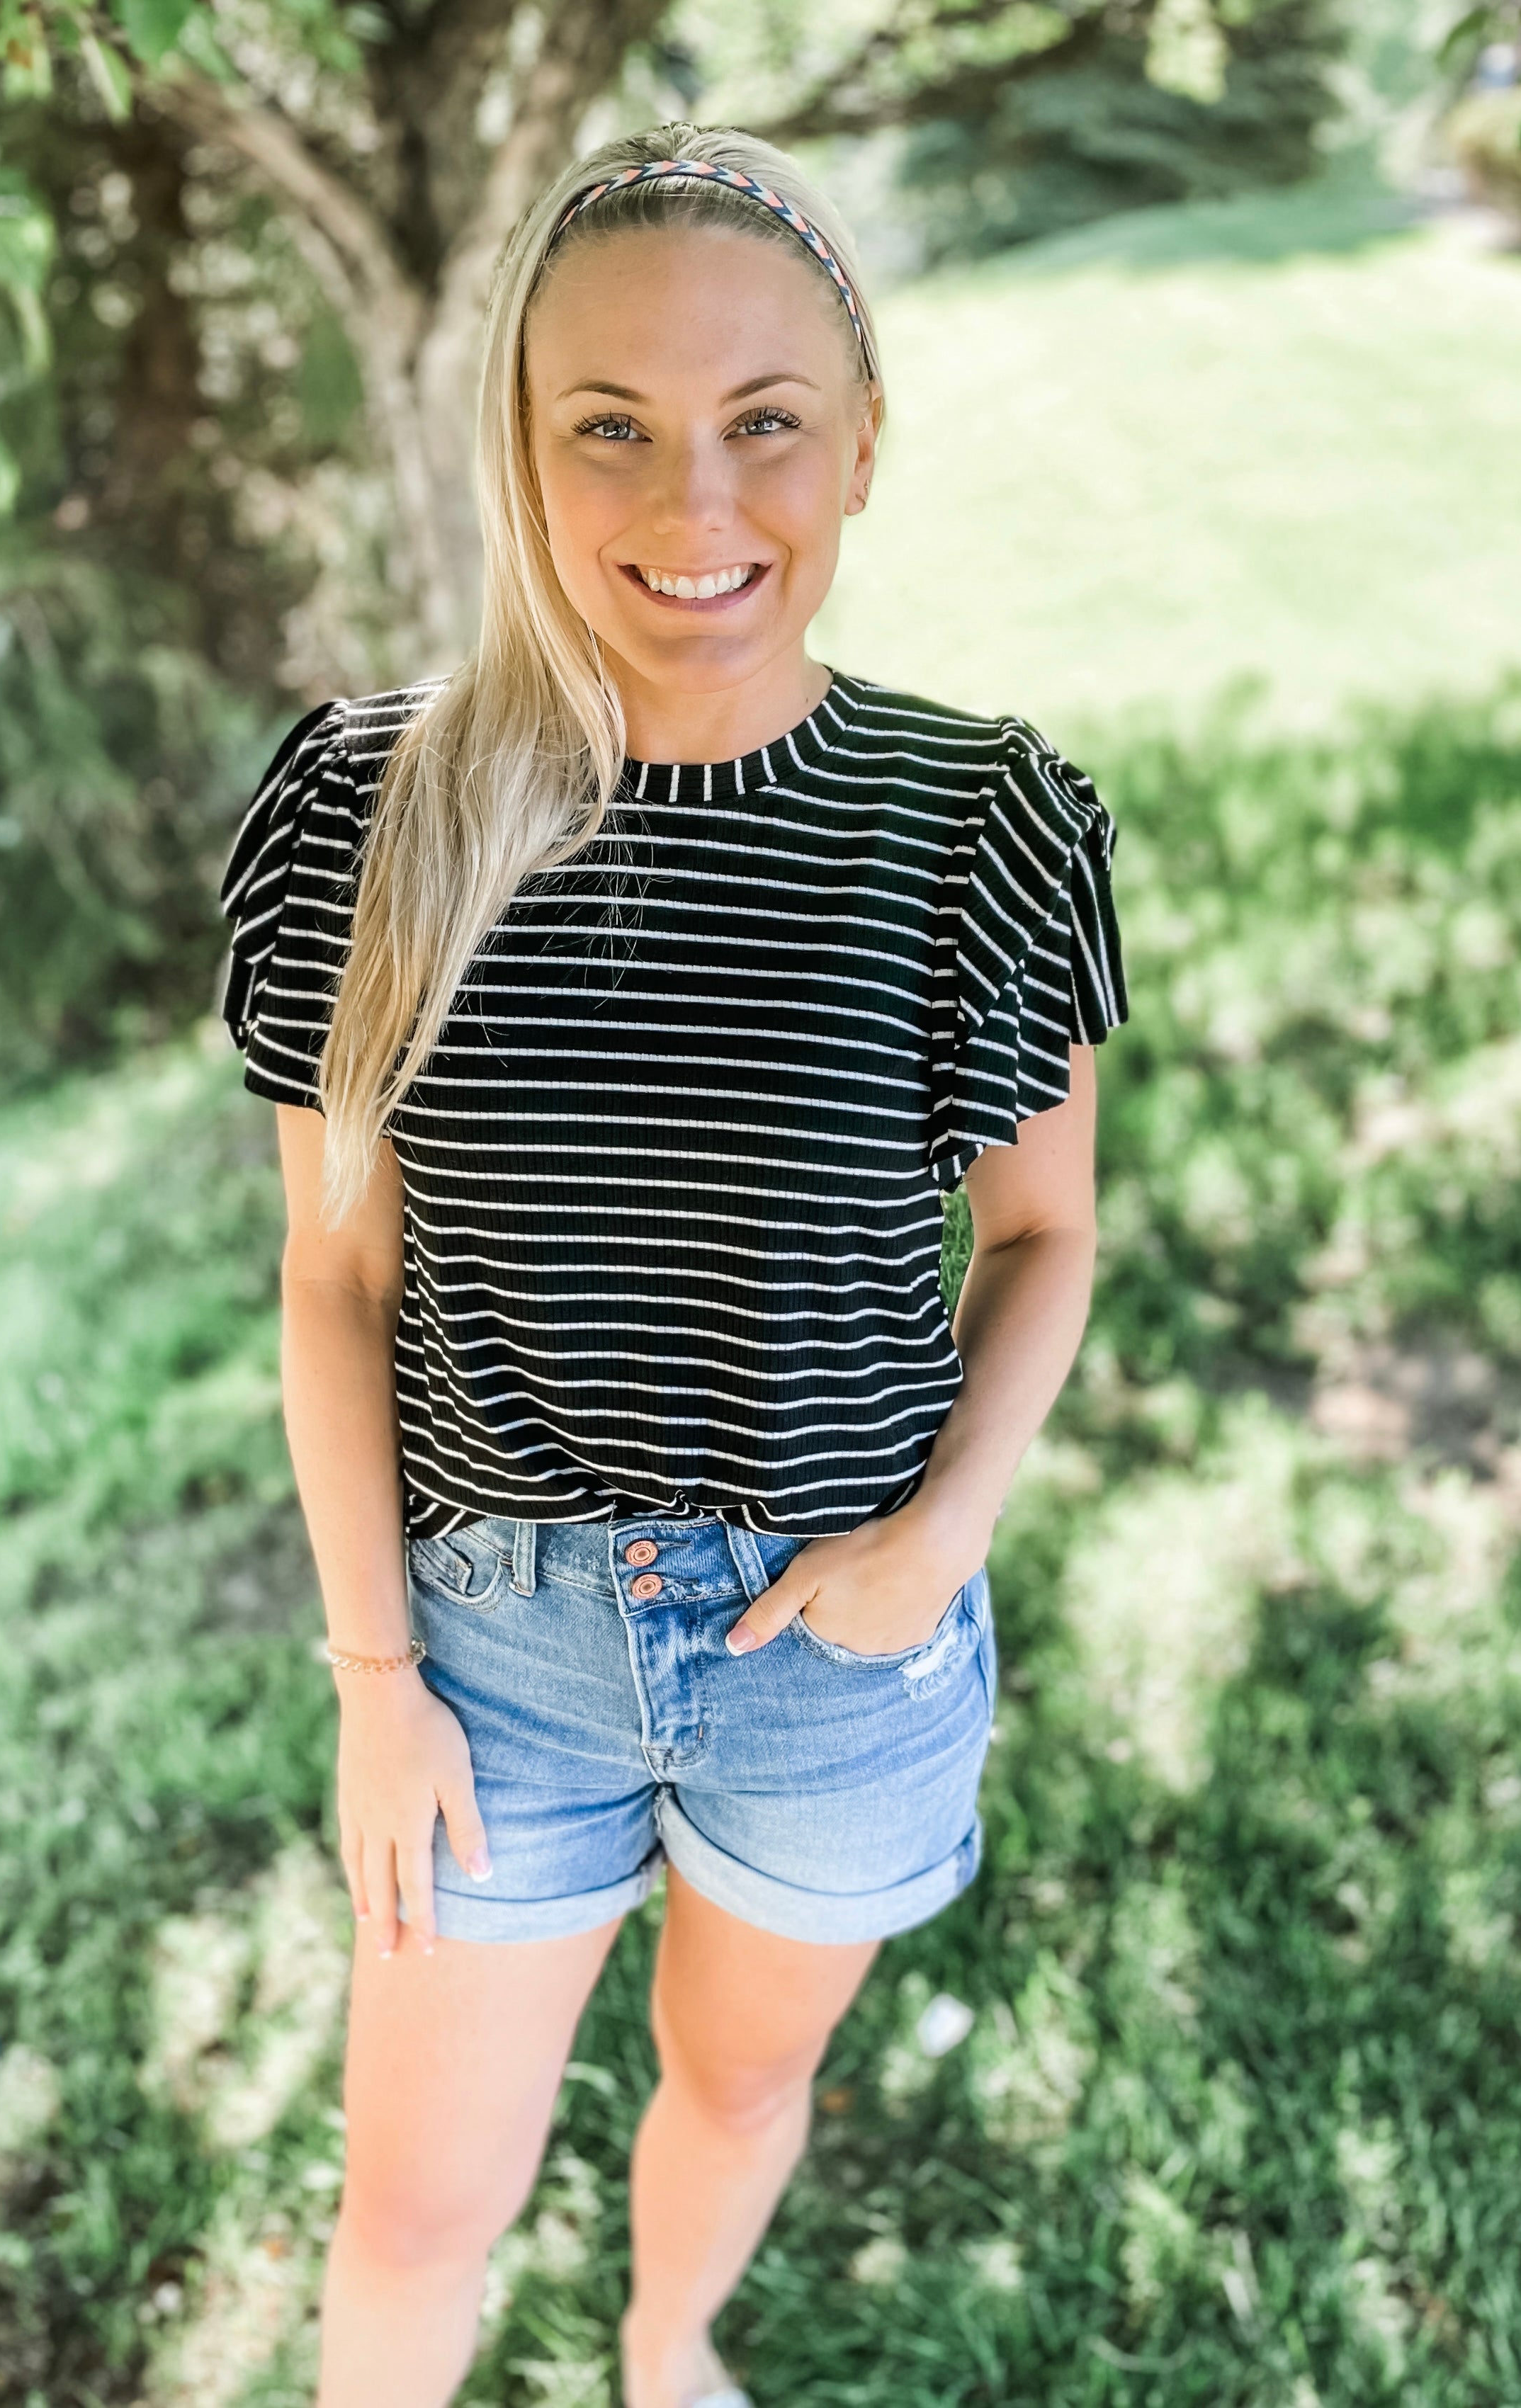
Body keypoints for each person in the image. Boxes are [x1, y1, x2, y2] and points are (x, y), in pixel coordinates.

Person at [217, 120, 1127, 2408]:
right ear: (518, 447)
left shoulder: (978, 823)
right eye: (607, 426)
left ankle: (666, 2348)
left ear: (864, 443)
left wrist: (942, 1537)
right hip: (483, 1648)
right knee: (415, 2209)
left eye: (765, 421)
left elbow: (1045, 1233)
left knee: (736, 2089)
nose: (692, 501)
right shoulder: (377, 810)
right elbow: (336, 1284)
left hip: (838, 1639)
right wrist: (372, 1679)